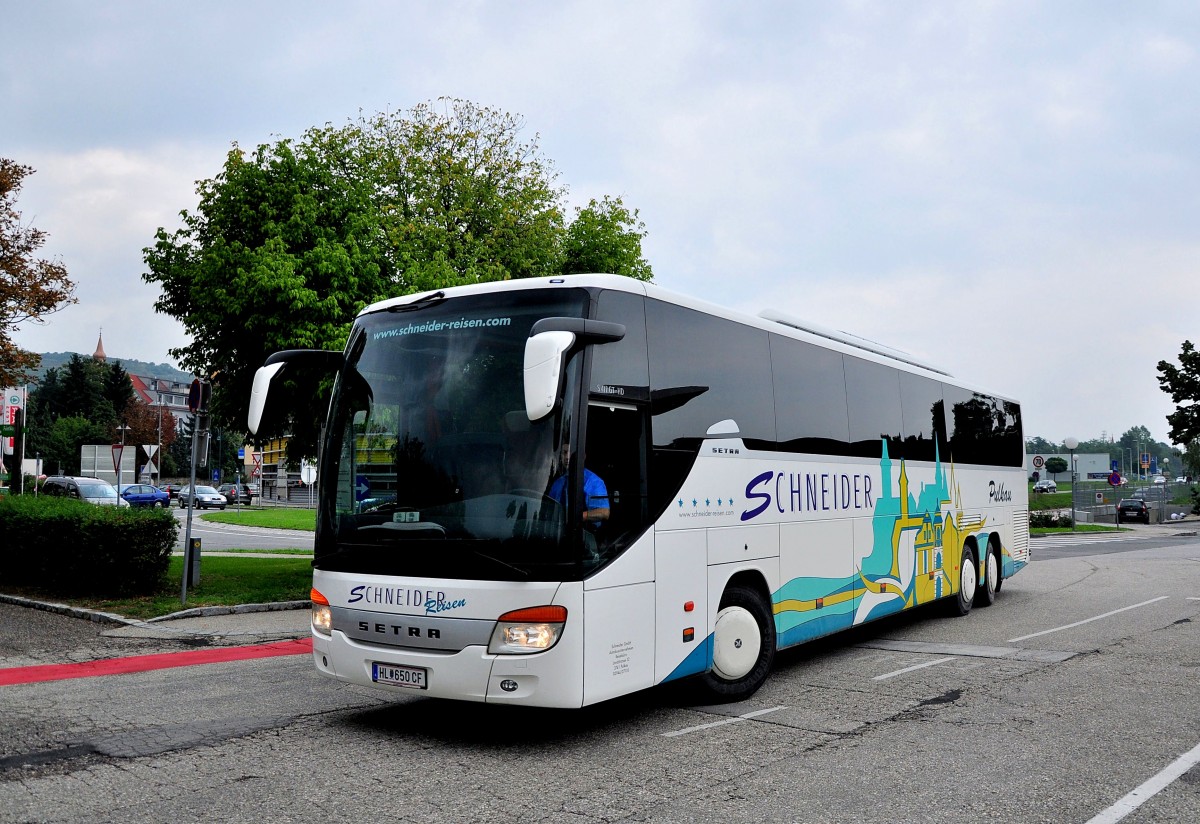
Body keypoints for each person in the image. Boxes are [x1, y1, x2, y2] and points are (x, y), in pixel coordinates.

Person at [548, 443, 609, 532]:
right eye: (564, 453)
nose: (567, 457)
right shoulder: (558, 483)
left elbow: (604, 513)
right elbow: (548, 508)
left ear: (583, 456)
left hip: (585, 535)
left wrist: (575, 517)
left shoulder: (593, 481)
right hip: (557, 533)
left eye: (571, 453)